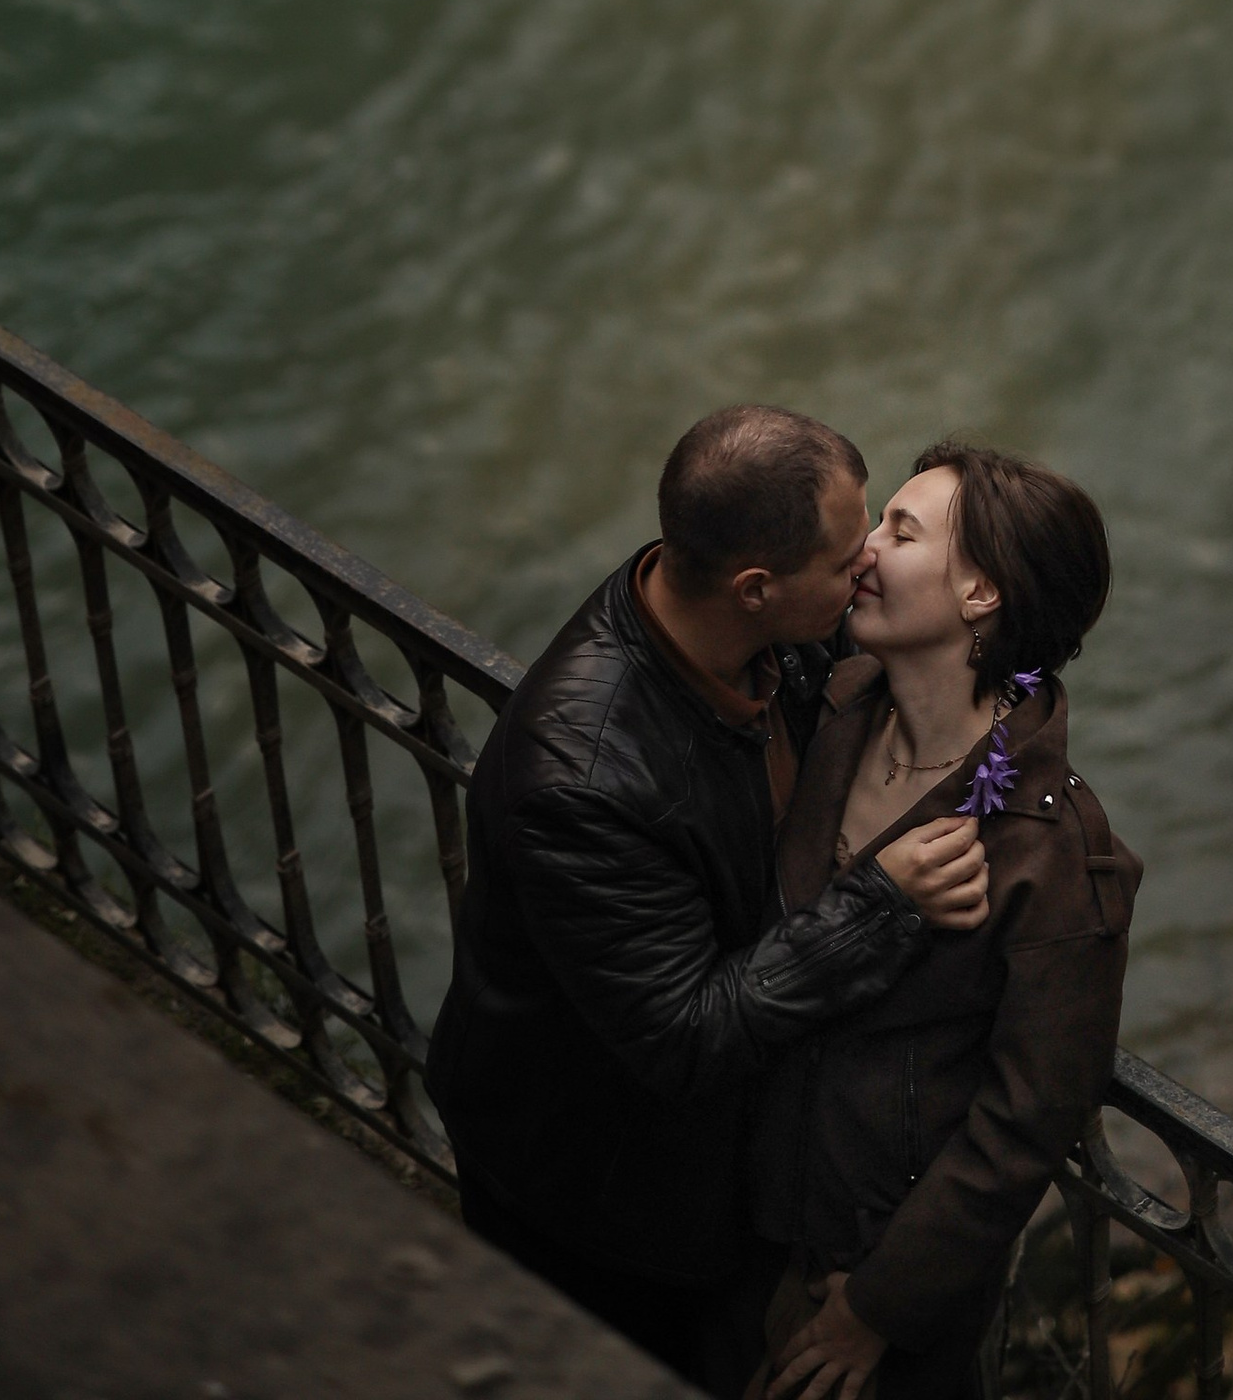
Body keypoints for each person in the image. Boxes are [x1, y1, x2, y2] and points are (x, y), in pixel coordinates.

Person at [427, 406, 993, 1388]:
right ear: (755, 587)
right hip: (593, 1189)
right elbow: (684, 1035)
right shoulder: (582, 782)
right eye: (844, 558)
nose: (867, 560)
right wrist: (881, 905)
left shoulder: (750, 627)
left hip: (701, 1159)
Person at [747, 441, 1141, 1400]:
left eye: (901, 531)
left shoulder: (1055, 856)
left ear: (980, 595)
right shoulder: (836, 706)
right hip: (744, 1219)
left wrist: (874, 1308)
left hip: (867, 1283)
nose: (864, 549)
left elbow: (1025, 1124)